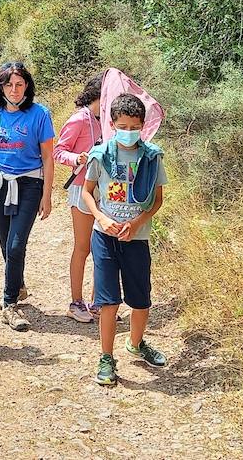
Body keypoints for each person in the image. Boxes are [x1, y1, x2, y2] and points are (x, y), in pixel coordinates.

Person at [82, 93, 169, 386]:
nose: (128, 132)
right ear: (111, 123)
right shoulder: (100, 155)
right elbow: (87, 191)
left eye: (134, 127)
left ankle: (136, 343)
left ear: (143, 125)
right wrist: (102, 218)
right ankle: (106, 357)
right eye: (122, 126)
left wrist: (136, 223)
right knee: (108, 301)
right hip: (104, 237)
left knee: (141, 299)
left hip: (137, 237)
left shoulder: (153, 157)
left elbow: (157, 201)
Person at [0, 62, 55, 331]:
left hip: (30, 183)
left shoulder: (40, 114)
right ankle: (17, 284)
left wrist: (47, 194)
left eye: (19, 84)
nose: (14, 89)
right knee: (5, 242)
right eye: (9, 84)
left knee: (16, 244)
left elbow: (47, 156)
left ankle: (9, 303)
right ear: (0, 87)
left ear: (27, 86)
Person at [54, 74, 104, 323]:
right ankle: (76, 302)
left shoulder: (110, 120)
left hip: (106, 190)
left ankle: (98, 302)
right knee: (83, 247)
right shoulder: (79, 119)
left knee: (102, 249)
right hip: (82, 187)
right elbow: (58, 151)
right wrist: (76, 158)